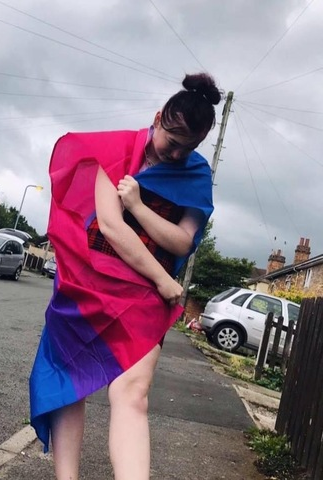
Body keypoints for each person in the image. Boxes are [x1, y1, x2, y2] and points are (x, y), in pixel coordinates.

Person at [29, 73, 222, 480]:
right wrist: (165, 280)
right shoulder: (115, 150)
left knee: (132, 392)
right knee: (68, 383)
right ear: (157, 118)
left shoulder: (197, 174)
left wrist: (137, 205)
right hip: (86, 285)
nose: (177, 154)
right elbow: (111, 227)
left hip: (143, 297)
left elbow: (182, 241)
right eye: (172, 141)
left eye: (188, 148)